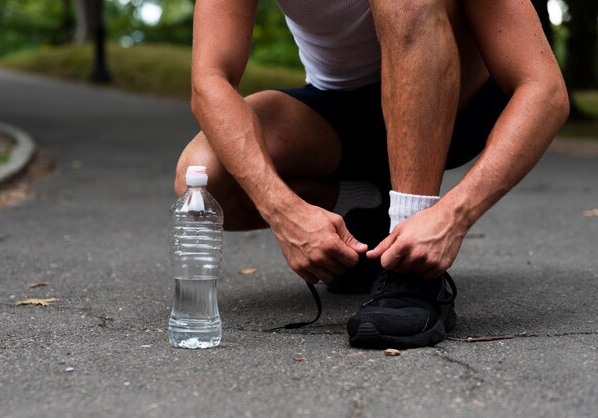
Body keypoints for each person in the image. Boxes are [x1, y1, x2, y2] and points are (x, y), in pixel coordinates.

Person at [175, 0, 569, 349]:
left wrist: (451, 217)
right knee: (202, 177)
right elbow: (210, 79)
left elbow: (543, 89)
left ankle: (411, 268)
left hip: (453, 104)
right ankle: (366, 214)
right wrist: (285, 211)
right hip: (340, 116)